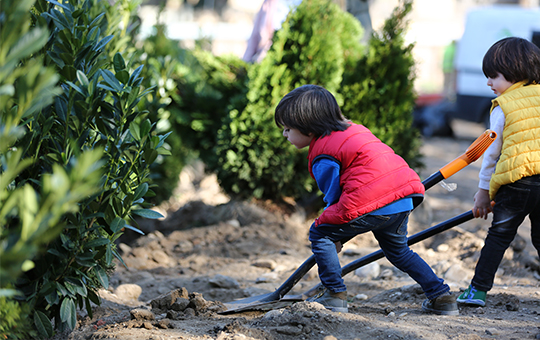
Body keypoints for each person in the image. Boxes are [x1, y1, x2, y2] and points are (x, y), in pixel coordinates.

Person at [274, 84, 459, 315]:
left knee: (319, 233)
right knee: (399, 252)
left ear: (308, 128)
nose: (285, 135)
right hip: (402, 196)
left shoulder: (323, 153)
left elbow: (334, 198)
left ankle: (334, 293)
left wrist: (333, 234)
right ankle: (441, 297)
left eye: (288, 129)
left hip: (371, 201)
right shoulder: (355, 130)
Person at [457, 37, 540, 307]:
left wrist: (483, 193)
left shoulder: (503, 106)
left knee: (499, 236)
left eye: (493, 76)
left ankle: (478, 291)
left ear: (514, 72)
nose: (489, 83)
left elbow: (491, 154)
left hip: (517, 182)